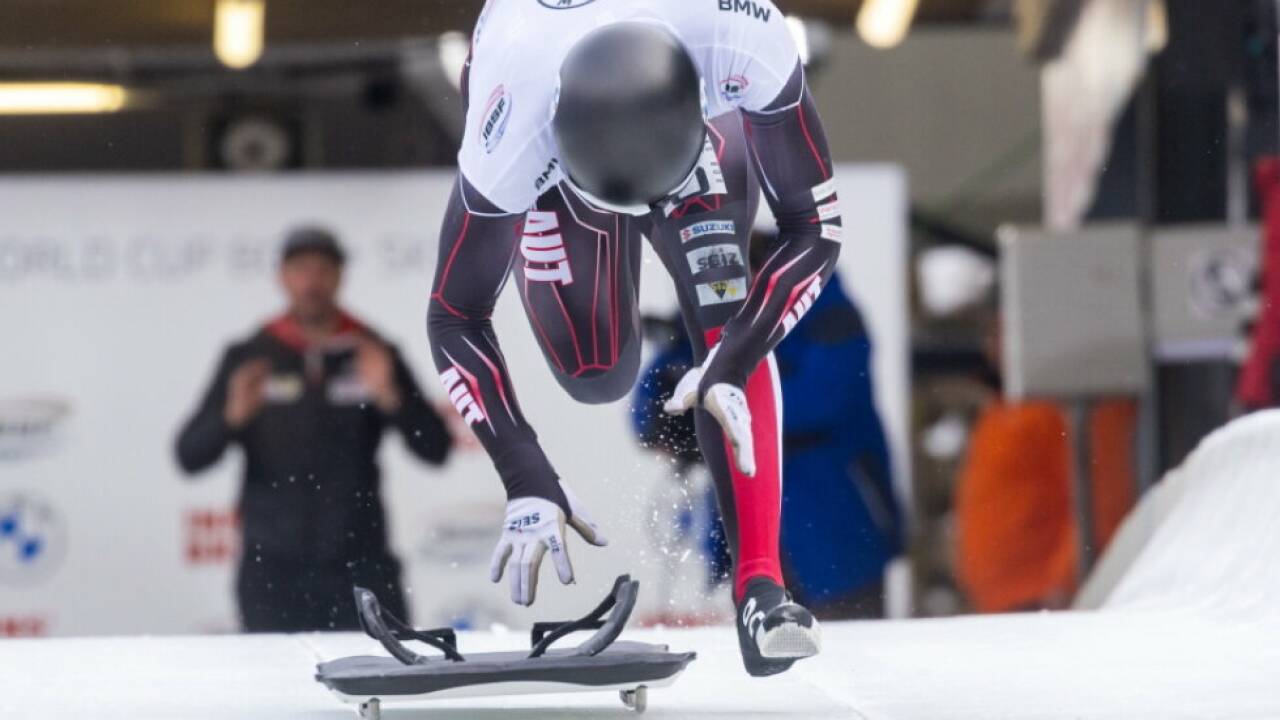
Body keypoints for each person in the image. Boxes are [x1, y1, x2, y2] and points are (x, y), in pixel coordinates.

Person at [427, 1, 842, 676]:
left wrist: (732, 359)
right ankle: (589, 203)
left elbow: (814, 228)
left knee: (724, 319)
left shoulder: (742, 32)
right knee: (595, 369)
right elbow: (454, 315)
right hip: (557, 165)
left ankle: (762, 587)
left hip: (702, 144)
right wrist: (525, 472)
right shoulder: (513, 119)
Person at [175, 228, 452, 632]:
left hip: (361, 566)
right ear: (282, 277)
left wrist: (391, 396)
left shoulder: (373, 351)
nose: (312, 281)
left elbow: (437, 449)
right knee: (275, 692)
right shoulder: (250, 355)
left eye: (324, 269)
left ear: (340, 276)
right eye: (301, 269)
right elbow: (188, 456)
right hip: (272, 570)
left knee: (385, 685)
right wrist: (231, 418)